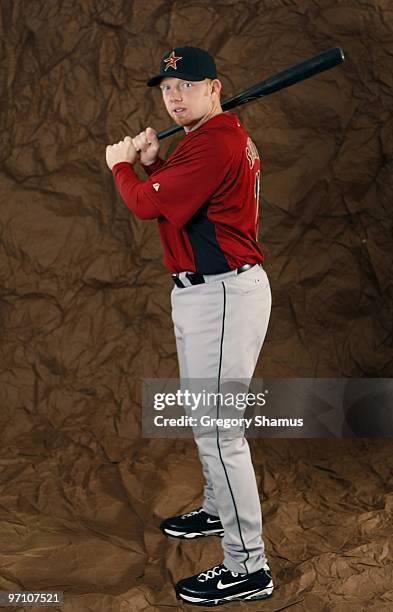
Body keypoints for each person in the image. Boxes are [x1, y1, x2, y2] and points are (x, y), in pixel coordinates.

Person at [105, 46, 273, 607]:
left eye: (186, 85)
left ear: (215, 87)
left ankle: (248, 566)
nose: (174, 96)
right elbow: (185, 204)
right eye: (166, 88)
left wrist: (123, 167)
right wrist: (154, 164)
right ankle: (217, 507)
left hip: (222, 293)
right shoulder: (207, 138)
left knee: (220, 431)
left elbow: (148, 206)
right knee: (207, 421)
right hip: (206, 292)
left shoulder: (217, 141)